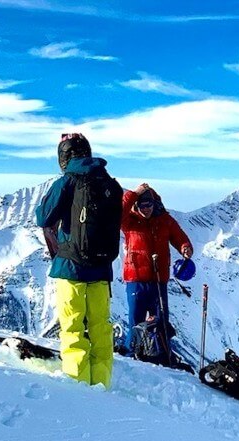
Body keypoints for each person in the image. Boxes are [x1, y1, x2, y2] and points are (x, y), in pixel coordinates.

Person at [32, 133, 125, 386]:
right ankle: (102, 383)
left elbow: (43, 218)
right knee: (100, 328)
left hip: (71, 267)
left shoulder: (67, 182)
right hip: (102, 269)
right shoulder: (111, 185)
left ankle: (78, 385)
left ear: (63, 157)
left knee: (73, 328)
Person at [117, 184, 192, 367]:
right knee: (136, 319)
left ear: (154, 204)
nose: (146, 209)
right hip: (136, 279)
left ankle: (164, 355)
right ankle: (131, 354)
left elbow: (179, 237)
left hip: (159, 280)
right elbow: (116, 214)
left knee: (161, 321)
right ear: (136, 205)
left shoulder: (164, 220)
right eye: (142, 206)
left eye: (149, 205)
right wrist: (133, 194)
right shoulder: (129, 221)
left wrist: (185, 248)